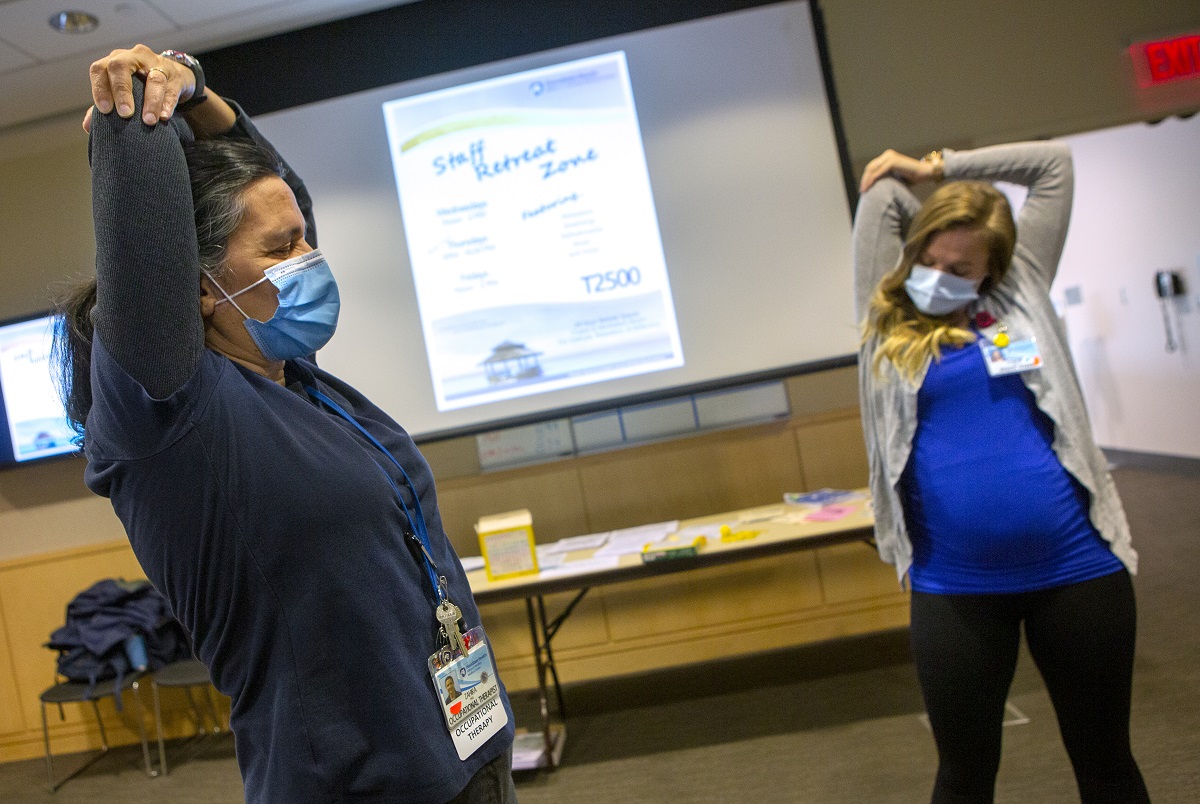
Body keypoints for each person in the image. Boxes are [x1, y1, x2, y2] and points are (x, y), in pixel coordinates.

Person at [54, 45, 517, 803]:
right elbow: (144, 241)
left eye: (304, 237)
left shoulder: (292, 378)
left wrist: (200, 93)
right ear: (199, 289)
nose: (309, 256)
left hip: (466, 752)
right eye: (282, 248)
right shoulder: (176, 419)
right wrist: (138, 108)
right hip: (356, 787)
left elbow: (278, 188)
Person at [854, 143, 1150, 803]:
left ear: (992, 272)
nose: (936, 277)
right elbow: (882, 201)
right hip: (956, 586)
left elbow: (1053, 167)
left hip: (1078, 572)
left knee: (1106, 765)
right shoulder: (885, 314)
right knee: (964, 776)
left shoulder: (1024, 294)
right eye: (928, 259)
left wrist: (941, 167)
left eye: (958, 268)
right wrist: (916, 184)